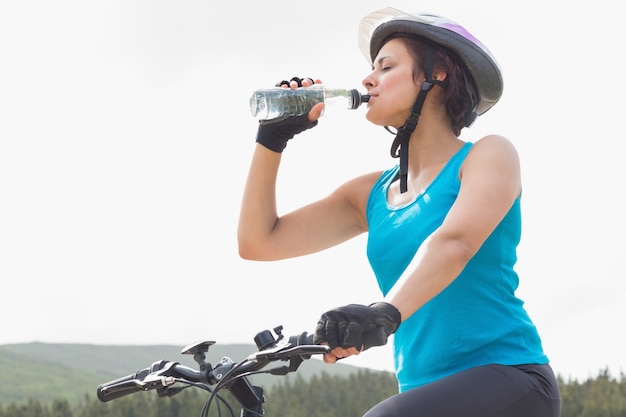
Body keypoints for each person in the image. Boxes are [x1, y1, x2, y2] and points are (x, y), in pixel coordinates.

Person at [237, 6, 561, 417]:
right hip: (424, 393)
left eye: (386, 66)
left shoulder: (487, 155)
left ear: (437, 73)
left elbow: (454, 242)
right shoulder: (369, 194)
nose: (367, 79)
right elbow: (258, 241)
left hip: (510, 378)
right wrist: (271, 140)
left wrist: (382, 314)